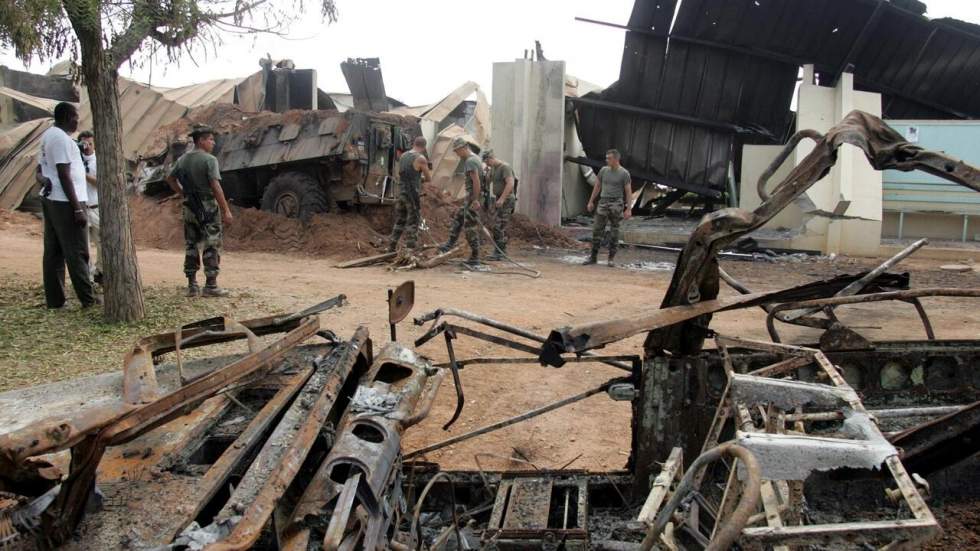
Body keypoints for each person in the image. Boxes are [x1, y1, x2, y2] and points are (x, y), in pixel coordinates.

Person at [38, 102, 97, 309]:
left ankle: (55, 300)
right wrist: (77, 208)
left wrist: (44, 180)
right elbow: (64, 174)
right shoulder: (61, 139)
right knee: (78, 251)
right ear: (65, 116)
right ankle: (88, 299)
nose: (77, 120)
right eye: (74, 116)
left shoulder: (48, 136)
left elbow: (41, 169)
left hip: (53, 198)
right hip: (66, 201)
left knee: (53, 252)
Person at [166, 124, 234, 297]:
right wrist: (226, 210)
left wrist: (183, 194)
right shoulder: (210, 160)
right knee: (211, 244)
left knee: (191, 244)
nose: (213, 143)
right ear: (201, 141)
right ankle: (211, 286)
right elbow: (215, 186)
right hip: (208, 206)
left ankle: (192, 285)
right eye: (210, 139)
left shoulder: (182, 159)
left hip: (190, 208)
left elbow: (170, 178)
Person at [438, 137, 483, 265]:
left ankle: (475, 257)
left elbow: (476, 182)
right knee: (459, 218)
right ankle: (449, 245)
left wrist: (475, 200)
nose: (457, 154)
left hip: (472, 199)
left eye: (457, 151)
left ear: (463, 148)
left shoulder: (470, 161)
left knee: (470, 228)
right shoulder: (474, 159)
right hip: (471, 198)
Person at [585, 149, 632, 266]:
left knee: (614, 232)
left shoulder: (624, 173)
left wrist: (628, 209)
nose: (606, 160)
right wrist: (591, 201)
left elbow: (628, 191)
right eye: (606, 158)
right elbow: (597, 186)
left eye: (609, 158)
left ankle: (611, 259)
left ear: (616, 159)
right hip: (603, 202)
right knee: (597, 230)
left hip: (617, 203)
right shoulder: (603, 170)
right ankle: (593, 257)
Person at [388, 136, 432, 253]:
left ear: (414, 143)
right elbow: (428, 178)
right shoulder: (420, 158)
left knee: (400, 220)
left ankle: (391, 247)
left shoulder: (403, 156)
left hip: (401, 191)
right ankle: (410, 250)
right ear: (424, 147)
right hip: (412, 194)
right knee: (413, 221)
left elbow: (401, 173)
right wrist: (420, 178)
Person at [481, 150, 517, 261]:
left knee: (499, 225)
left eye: (487, 162)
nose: (487, 164)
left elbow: (510, 183)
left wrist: (502, 199)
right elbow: (488, 181)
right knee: (496, 225)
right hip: (498, 199)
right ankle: (499, 251)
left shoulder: (505, 167)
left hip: (506, 200)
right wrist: (486, 172)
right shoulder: (494, 169)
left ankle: (501, 252)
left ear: (490, 158)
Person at [78, 130, 102, 284]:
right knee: (84, 246)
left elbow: (100, 182)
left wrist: (83, 174)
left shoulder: (98, 161)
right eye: (83, 143)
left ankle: (100, 272)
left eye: (90, 143)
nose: (86, 147)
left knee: (101, 243)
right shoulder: (75, 161)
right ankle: (89, 277)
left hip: (96, 207)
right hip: (81, 208)